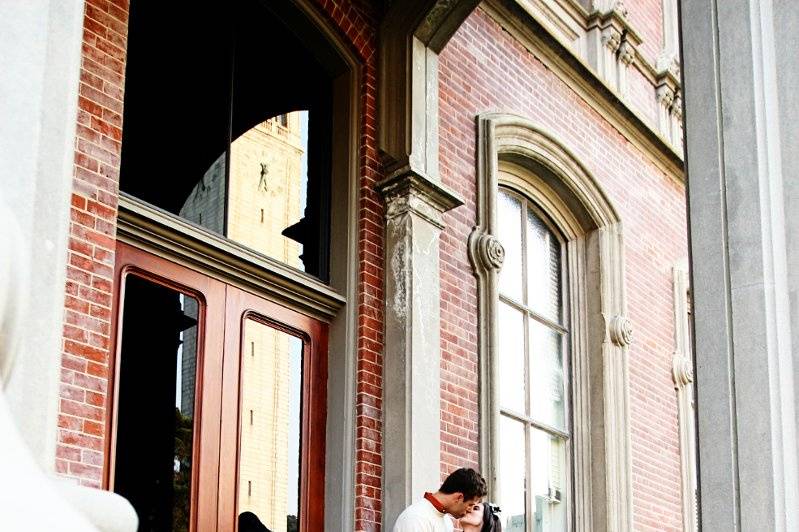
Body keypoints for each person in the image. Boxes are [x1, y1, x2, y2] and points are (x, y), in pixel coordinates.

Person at [393, 467, 488, 532]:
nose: (470, 510)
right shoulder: (417, 518)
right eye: (470, 505)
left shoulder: (447, 522)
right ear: (459, 497)